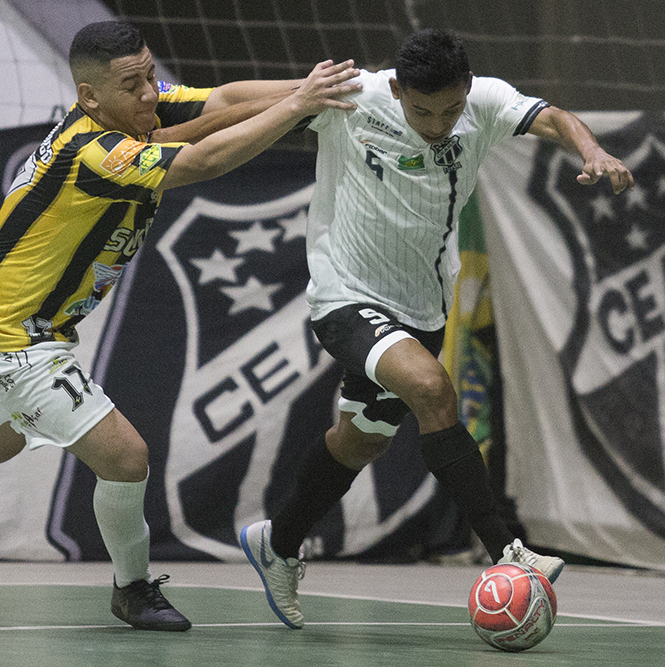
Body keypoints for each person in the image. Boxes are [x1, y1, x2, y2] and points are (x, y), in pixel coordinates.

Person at [0, 20, 361, 632]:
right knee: (125, 458)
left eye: (151, 74)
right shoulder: (92, 151)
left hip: (0, 322)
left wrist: (312, 86)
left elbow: (224, 101)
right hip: (12, 339)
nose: (151, 92)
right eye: (134, 84)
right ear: (90, 96)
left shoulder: (134, 110)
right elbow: (201, 161)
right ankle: (132, 589)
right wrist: (301, 107)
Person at [240, 28, 635, 629]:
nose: (437, 123)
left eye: (449, 109)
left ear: (467, 89)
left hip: (421, 308)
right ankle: (508, 550)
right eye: (422, 111)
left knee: (360, 440)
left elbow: (554, 117)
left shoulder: (484, 104)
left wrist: (592, 151)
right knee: (432, 389)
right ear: (396, 90)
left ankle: (279, 542)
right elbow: (238, 101)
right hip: (345, 296)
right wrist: (169, 114)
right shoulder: (356, 98)